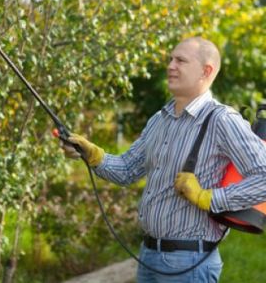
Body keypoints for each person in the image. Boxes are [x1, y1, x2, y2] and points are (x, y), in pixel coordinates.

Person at [61, 37, 266, 282]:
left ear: (206, 71)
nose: (170, 65)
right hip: (148, 256)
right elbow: (126, 170)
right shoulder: (160, 119)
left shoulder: (222, 120)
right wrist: (93, 155)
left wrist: (208, 197)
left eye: (180, 60)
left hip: (188, 263)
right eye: (170, 59)